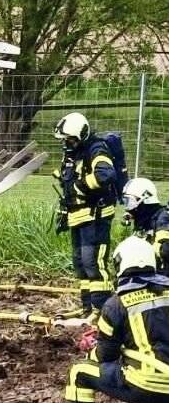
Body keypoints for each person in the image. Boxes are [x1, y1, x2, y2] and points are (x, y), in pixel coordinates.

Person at [53, 235, 169, 403]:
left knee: (78, 373)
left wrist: (91, 351)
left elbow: (106, 355)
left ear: (121, 264)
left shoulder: (117, 303)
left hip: (143, 383)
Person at [54, 112, 118, 318]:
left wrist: (79, 186)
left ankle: (102, 311)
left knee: (93, 263)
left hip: (96, 217)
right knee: (80, 263)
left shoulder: (96, 149)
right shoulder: (73, 153)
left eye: (70, 139)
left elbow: (106, 175)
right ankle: (87, 308)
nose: (67, 143)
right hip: (78, 216)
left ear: (81, 135)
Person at [123, 178, 169, 274]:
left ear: (146, 197)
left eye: (130, 201)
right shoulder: (143, 218)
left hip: (162, 273)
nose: (129, 207)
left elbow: (165, 250)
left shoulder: (162, 217)